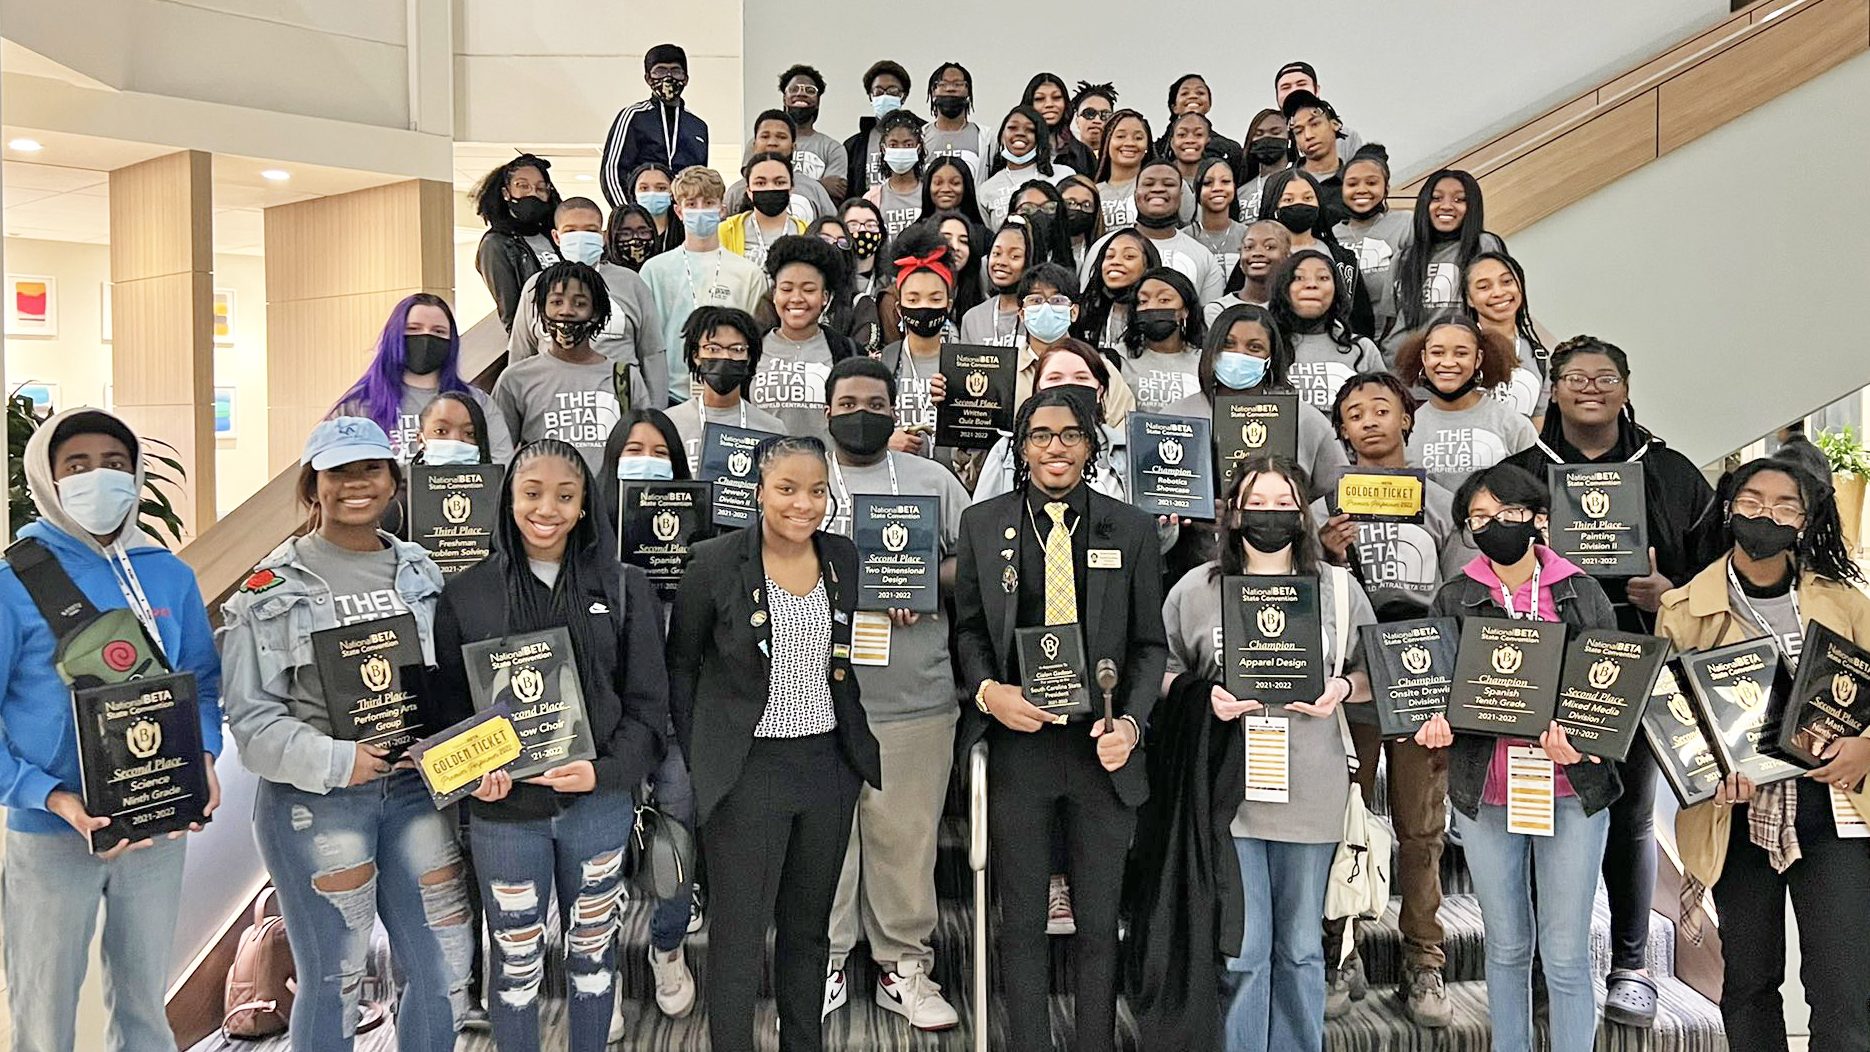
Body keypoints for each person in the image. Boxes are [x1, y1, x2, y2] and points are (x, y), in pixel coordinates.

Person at [220, 417, 473, 1050]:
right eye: (338, 471)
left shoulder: (421, 571)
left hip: (414, 794)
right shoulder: (271, 587)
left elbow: (445, 684)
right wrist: (339, 760)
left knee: (446, 966)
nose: (356, 483)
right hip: (318, 805)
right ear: (313, 486)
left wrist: (454, 748)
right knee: (335, 979)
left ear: (393, 480)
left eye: (370, 469)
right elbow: (252, 724)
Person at [1499, 336, 1719, 1026]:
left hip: (1639, 659)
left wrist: (1671, 593)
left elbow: (1718, 574)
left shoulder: (1672, 473)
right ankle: (1541, 965)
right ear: (1553, 388)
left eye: (1604, 377)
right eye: (1574, 377)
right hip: (1538, 664)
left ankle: (1631, 963)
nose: (1589, 388)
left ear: (1625, 387)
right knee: (1537, 813)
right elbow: (1482, 559)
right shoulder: (1520, 474)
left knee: (1629, 814)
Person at [429, 437, 665, 1050]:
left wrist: (604, 772)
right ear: (508, 500)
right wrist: (473, 773)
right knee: (513, 968)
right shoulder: (466, 595)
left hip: (598, 805)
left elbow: (648, 707)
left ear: (585, 504)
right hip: (506, 815)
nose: (547, 509)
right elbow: (450, 711)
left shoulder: (624, 586)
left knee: (594, 958)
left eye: (565, 495)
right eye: (531, 493)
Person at [0, 409, 223, 1052]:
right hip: (51, 833)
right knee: (43, 1011)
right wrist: (47, 795)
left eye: (115, 464)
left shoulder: (167, 574)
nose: (98, 477)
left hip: (156, 823)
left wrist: (204, 756)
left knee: (144, 1004)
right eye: (77, 465)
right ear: (48, 478)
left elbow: (201, 681)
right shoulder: (15, 583)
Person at [955, 386, 1167, 1052]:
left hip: (1101, 751)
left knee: (1099, 924)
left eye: (1071, 434)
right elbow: (967, 631)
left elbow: (1149, 645)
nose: (1056, 447)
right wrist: (989, 693)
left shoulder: (1129, 528)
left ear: (1090, 445)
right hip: (1020, 746)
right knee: (1021, 922)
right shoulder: (983, 524)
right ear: (1021, 447)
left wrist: (1130, 725)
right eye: (1041, 435)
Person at [668, 435, 883, 1052]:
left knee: (809, 932)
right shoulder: (714, 563)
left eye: (817, 491)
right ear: (760, 491)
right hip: (747, 770)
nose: (803, 504)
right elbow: (681, 665)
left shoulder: (842, 557)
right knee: (738, 936)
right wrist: (702, 756)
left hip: (827, 767)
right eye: (787, 489)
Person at [1160, 454, 1375, 1052]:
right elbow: (1161, 672)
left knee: (1303, 948)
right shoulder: (1197, 590)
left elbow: (1375, 675)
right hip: (1231, 789)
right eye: (1256, 503)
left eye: (1285, 503)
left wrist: (1340, 689)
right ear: (1232, 513)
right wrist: (1204, 696)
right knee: (1246, 950)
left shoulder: (1338, 589)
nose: (1270, 514)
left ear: (1304, 515)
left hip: (1313, 787)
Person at [1664, 454, 1870, 1051]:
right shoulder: (1682, 608)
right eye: (1753, 502)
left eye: (1785, 507)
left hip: (1835, 811)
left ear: (1806, 521)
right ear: (1729, 509)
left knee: (1843, 990)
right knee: (1750, 986)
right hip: (1736, 817)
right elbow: (1672, 718)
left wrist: (1867, 747)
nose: (1766, 516)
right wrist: (1709, 775)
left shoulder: (1847, 603)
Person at [1416, 463, 1621, 1052]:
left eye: (1507, 513)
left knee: (1565, 952)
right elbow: (1434, 686)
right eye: (1479, 517)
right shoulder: (1456, 595)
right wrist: (1432, 721)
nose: (1493, 525)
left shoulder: (1580, 590)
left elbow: (1611, 690)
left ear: (1538, 519)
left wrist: (1584, 736)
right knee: (1505, 947)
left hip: (1572, 791)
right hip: (1488, 793)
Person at [812, 358, 970, 1030]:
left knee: (905, 839)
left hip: (914, 694)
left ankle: (903, 966)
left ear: (895, 410)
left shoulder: (933, 481)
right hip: (813, 695)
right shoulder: (804, 481)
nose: (862, 414)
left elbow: (973, 562)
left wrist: (923, 579)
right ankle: (822, 962)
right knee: (823, 840)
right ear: (827, 412)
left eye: (876, 404)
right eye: (848, 403)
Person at [1316, 373, 1464, 1026]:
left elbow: (1461, 594)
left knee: (1421, 828)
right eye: (1355, 413)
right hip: (1348, 679)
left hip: (1420, 677)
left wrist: (1450, 687)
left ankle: (1423, 960)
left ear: (1407, 418)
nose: (1370, 420)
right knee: (1339, 819)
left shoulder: (1442, 502)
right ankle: (1338, 946)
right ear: (1341, 430)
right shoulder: (1322, 507)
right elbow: (1296, 592)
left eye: (1383, 408)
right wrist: (1324, 553)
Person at [1164, 303, 1348, 497]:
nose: (1239, 354)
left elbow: (1338, 489)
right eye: (1228, 344)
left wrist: (1303, 512)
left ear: (1271, 357)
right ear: (1211, 349)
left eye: (1254, 347)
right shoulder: (1176, 416)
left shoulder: (1303, 418)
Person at [507, 197, 669, 409]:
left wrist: (655, 414)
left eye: (590, 230)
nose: (580, 237)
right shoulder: (536, 286)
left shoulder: (631, 283)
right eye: (571, 231)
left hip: (621, 404)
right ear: (556, 237)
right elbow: (521, 355)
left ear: (602, 236)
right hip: (553, 405)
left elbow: (652, 353)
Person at [332, 292, 514, 464]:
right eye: (413, 329)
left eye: (438, 331)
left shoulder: (478, 403)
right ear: (394, 335)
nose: (426, 338)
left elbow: (501, 465)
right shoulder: (357, 405)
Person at [640, 166, 772, 403]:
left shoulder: (748, 274)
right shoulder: (654, 270)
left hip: (729, 392)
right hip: (670, 394)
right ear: (678, 211)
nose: (700, 210)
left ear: (722, 210)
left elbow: (755, 339)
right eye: (691, 204)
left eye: (708, 203)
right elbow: (648, 341)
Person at [493, 261, 622, 474]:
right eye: (556, 302)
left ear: (596, 313)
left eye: (579, 303)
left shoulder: (624, 377)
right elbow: (497, 456)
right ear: (542, 310)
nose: (566, 311)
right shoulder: (515, 379)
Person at [973, 341, 1136, 504]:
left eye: (1081, 378)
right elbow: (984, 514)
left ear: (1100, 390)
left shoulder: (1128, 452)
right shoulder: (1006, 451)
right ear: (1038, 389)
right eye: (1055, 378)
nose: (1068, 385)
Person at [1395, 314, 1537, 490]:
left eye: (1461, 353)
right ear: (1424, 358)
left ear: (1478, 359)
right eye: (1437, 353)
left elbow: (1534, 490)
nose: (1448, 362)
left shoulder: (1513, 425)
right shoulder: (1405, 429)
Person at [753, 235, 862, 444]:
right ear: (774, 294)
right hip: (764, 462)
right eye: (786, 289)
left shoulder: (848, 352)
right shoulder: (750, 348)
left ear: (825, 297)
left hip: (825, 462)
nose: (796, 298)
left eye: (809, 290)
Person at [1081, 159, 1225, 306]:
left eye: (1169, 184)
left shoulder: (1203, 257)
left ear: (1181, 194)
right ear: (1135, 194)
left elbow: (1209, 316)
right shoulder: (1105, 247)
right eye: (1148, 184)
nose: (1158, 189)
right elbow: (1087, 305)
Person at [1256, 169, 1375, 338]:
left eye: (1308, 198)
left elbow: (1361, 318)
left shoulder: (1343, 258)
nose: (1299, 204)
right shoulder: (1257, 257)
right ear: (1274, 206)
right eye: (1288, 199)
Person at [1391, 169, 1505, 340]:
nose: (1446, 206)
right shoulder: (1403, 258)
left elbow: (1499, 308)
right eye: (1436, 198)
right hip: (1400, 352)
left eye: (1459, 199)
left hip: (1459, 349)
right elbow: (1387, 322)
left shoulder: (1484, 245)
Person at [876, 225, 958, 462]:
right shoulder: (884, 363)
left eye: (935, 298)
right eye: (913, 299)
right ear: (900, 308)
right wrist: (885, 440)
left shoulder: (964, 362)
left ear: (948, 305)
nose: (924, 306)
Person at [664, 306, 784, 465]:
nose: (725, 356)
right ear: (696, 356)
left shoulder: (772, 428)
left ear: (749, 358)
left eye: (737, 349)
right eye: (713, 348)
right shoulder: (669, 423)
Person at [1267, 250, 1385, 412]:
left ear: (1336, 289)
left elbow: (1382, 407)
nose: (1311, 285)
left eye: (1323, 278)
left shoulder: (1363, 348)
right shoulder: (1266, 345)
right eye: (1299, 278)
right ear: (1283, 288)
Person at [600, 43, 708, 211]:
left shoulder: (698, 127)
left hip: (682, 218)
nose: (668, 77)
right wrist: (629, 215)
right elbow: (612, 171)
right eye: (660, 71)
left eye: (676, 71)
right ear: (648, 78)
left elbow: (700, 180)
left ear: (686, 78)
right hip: (638, 214)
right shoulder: (634, 116)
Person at [473, 153, 562, 332]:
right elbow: (511, 314)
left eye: (541, 188)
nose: (533, 193)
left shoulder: (554, 235)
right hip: (538, 338)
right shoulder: (495, 244)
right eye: (523, 186)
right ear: (506, 193)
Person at [1333, 145, 1411, 342]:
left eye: (1371, 182)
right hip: (1348, 342)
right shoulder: (1332, 235)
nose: (1361, 189)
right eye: (1352, 184)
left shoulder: (1406, 224)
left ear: (1386, 188)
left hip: (1396, 340)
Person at [1464, 251, 1549, 420]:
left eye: (1507, 282)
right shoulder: (1457, 350)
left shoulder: (1539, 357)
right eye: (1484, 287)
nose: (1498, 292)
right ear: (1469, 299)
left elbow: (1538, 424)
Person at [1118, 267, 1207, 413]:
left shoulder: (1205, 361)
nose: (1151, 307)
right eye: (1143, 301)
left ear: (1185, 310)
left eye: (1164, 300)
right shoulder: (1117, 359)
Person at [725, 111, 837, 224]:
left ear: (793, 147)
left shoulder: (814, 189)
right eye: (765, 136)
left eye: (781, 137)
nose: (772, 142)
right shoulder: (735, 192)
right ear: (754, 146)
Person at [979, 106, 1068, 228]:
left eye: (1030, 130)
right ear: (1001, 136)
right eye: (1012, 128)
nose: (1020, 133)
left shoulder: (1064, 175)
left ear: (1039, 137)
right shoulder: (986, 190)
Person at [720, 152, 808, 270]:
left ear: (791, 189)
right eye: (760, 183)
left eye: (779, 182)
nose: (770, 188)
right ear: (749, 191)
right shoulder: (724, 232)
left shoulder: (808, 233)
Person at [1075, 228, 1160, 350]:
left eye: (1129, 256)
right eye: (1109, 256)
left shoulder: (1158, 315)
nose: (1115, 262)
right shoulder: (1086, 308)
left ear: (1148, 265)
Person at [843, 60, 914, 200]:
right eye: (878, 92)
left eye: (892, 92)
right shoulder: (854, 145)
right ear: (871, 97)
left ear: (903, 96)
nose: (885, 97)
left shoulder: (921, 134)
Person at [960, 217, 1035, 348]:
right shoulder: (972, 318)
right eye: (996, 253)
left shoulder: (1040, 314)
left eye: (1014, 256)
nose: (1001, 262)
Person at [777, 64, 848, 200]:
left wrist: (783, 185)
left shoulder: (833, 148)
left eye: (810, 90)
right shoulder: (763, 142)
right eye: (794, 89)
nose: (801, 93)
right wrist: (820, 184)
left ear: (818, 101)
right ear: (784, 98)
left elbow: (836, 193)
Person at [1271, 62, 1367, 163]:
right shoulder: (1268, 139)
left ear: (1317, 90)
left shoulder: (1345, 138)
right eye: (1286, 87)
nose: (1294, 90)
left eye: (1301, 84)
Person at [1281, 91, 1348, 227]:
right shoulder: (1281, 183)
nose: (1308, 135)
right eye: (1299, 131)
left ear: (1335, 124)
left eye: (1315, 124)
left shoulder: (1353, 182)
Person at [1208, 219, 1293, 322]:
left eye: (1269, 247)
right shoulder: (1218, 310)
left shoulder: (1297, 310)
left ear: (1287, 256)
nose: (1257, 253)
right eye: (1249, 247)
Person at [1161, 73, 1245, 176]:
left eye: (1200, 93)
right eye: (1185, 93)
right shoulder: (1158, 150)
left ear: (1209, 104)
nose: (1193, 96)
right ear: (1174, 107)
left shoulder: (1229, 148)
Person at [839, 198, 895, 350]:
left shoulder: (891, 282)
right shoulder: (833, 282)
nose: (862, 230)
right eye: (853, 225)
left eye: (870, 225)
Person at [865, 109, 928, 239]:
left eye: (908, 144)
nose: (901, 149)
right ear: (884, 148)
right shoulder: (871, 199)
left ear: (918, 147)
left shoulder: (930, 193)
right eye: (893, 145)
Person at [922, 61, 991, 177]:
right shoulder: (921, 136)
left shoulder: (986, 138)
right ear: (933, 91)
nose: (950, 89)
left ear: (968, 91)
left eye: (958, 84)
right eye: (943, 84)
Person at [1024, 72, 1095, 175]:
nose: (1049, 104)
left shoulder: (1083, 154)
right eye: (1039, 99)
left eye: (1056, 97)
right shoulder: (1017, 150)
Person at [1093, 109, 1153, 231]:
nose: (1130, 143)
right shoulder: (1093, 193)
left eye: (1138, 138)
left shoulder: (1163, 186)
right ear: (1107, 142)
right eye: (1120, 136)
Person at [1186, 155, 1246, 276]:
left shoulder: (1247, 235)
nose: (1217, 188)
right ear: (1197, 189)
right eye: (1207, 183)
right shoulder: (1185, 238)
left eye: (1225, 182)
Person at [1239, 108, 1292, 221]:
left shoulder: (1301, 182)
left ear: (1289, 137)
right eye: (1258, 134)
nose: (1266, 137)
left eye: (1275, 132)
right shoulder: (1239, 192)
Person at [625, 162, 684, 256]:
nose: (652, 193)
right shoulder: (622, 232)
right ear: (634, 193)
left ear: (672, 193)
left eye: (661, 188)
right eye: (644, 188)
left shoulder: (685, 231)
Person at [1166, 111, 1215, 221]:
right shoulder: (1160, 177)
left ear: (1208, 141)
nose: (1190, 140)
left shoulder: (1218, 179)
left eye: (1198, 135)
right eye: (1182, 135)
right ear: (1172, 143)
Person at [918, 154, 987, 229]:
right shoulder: (913, 233)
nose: (946, 189)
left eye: (955, 183)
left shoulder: (983, 234)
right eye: (938, 183)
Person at [1058, 173, 1106, 268]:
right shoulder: (1041, 248)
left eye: (1086, 205)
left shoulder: (1102, 252)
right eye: (1070, 203)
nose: (1078, 209)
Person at [605, 202, 664, 271]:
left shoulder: (665, 267)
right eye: (626, 234)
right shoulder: (601, 272)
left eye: (643, 232)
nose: (635, 240)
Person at [1071, 81, 1119, 161]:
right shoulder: (1062, 158)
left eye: (1105, 115)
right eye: (1089, 113)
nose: (1097, 120)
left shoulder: (1121, 160)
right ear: (1077, 121)